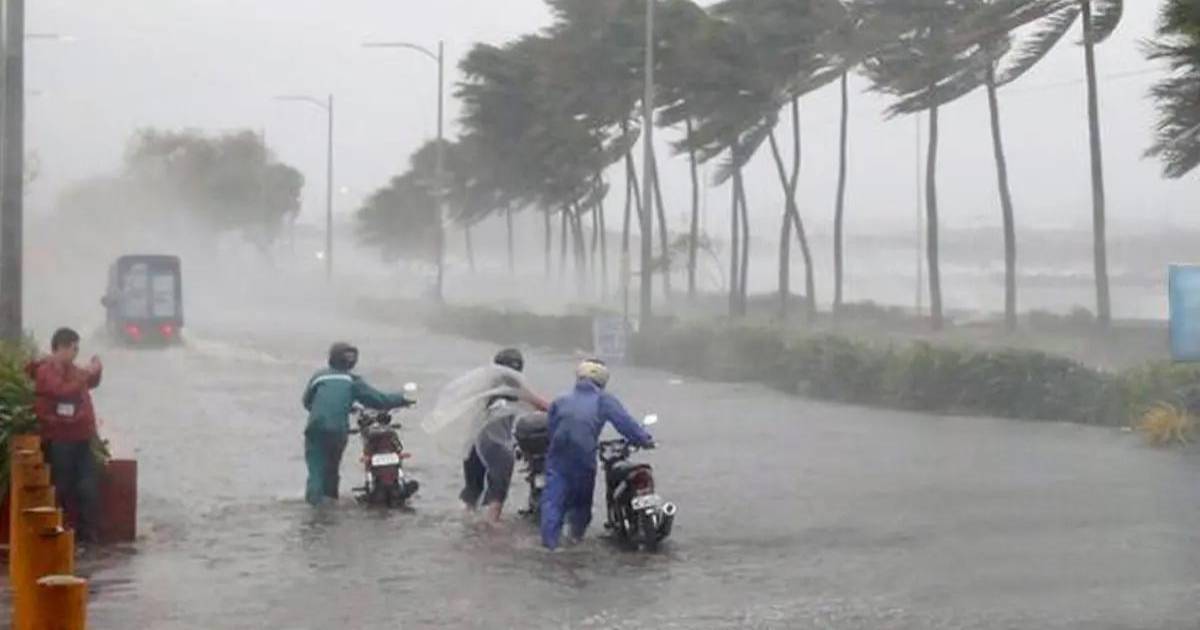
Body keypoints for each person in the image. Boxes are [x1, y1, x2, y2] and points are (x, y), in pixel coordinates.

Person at [540, 358, 653, 550]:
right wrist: (645, 440)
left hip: (557, 457)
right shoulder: (604, 400)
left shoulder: (560, 400)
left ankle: (550, 547)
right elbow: (625, 424)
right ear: (602, 380)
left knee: (553, 502)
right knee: (581, 504)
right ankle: (575, 542)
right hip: (583, 458)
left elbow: (551, 429)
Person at [301, 342, 414, 506]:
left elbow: (307, 402)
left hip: (315, 428)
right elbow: (379, 400)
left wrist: (341, 407)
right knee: (332, 469)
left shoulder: (318, 377)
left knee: (316, 469)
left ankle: (314, 509)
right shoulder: (352, 380)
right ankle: (330, 504)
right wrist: (404, 399)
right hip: (338, 430)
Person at [459, 348, 549, 524]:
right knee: (498, 492)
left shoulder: (485, 385)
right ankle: (492, 529)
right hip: (495, 443)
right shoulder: (513, 386)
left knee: (472, 490)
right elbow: (541, 405)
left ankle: (466, 528)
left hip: (472, 442)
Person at [32, 327, 104, 544]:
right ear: (61, 347)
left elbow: (89, 382)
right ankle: (60, 534)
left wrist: (95, 370)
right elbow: (62, 391)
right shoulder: (46, 371)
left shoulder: (72, 370)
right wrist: (85, 374)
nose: (75, 353)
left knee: (88, 486)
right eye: (73, 348)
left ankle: (87, 535)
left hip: (81, 436)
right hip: (60, 437)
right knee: (62, 486)